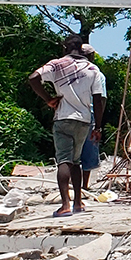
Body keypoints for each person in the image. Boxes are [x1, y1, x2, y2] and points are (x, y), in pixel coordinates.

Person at [28, 35, 106, 217]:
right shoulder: (93, 69)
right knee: (76, 162)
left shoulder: (56, 64)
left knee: (64, 160)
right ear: (81, 48)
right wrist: (98, 127)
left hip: (63, 118)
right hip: (84, 120)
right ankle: (78, 203)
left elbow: (33, 78)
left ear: (65, 48)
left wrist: (48, 99)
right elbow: (98, 99)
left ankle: (65, 205)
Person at [78, 43, 107, 195]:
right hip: (89, 115)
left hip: (71, 115)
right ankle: (84, 185)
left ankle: (73, 186)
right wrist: (99, 125)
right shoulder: (97, 74)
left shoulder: (71, 72)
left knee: (72, 152)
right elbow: (101, 99)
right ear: (91, 56)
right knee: (88, 150)